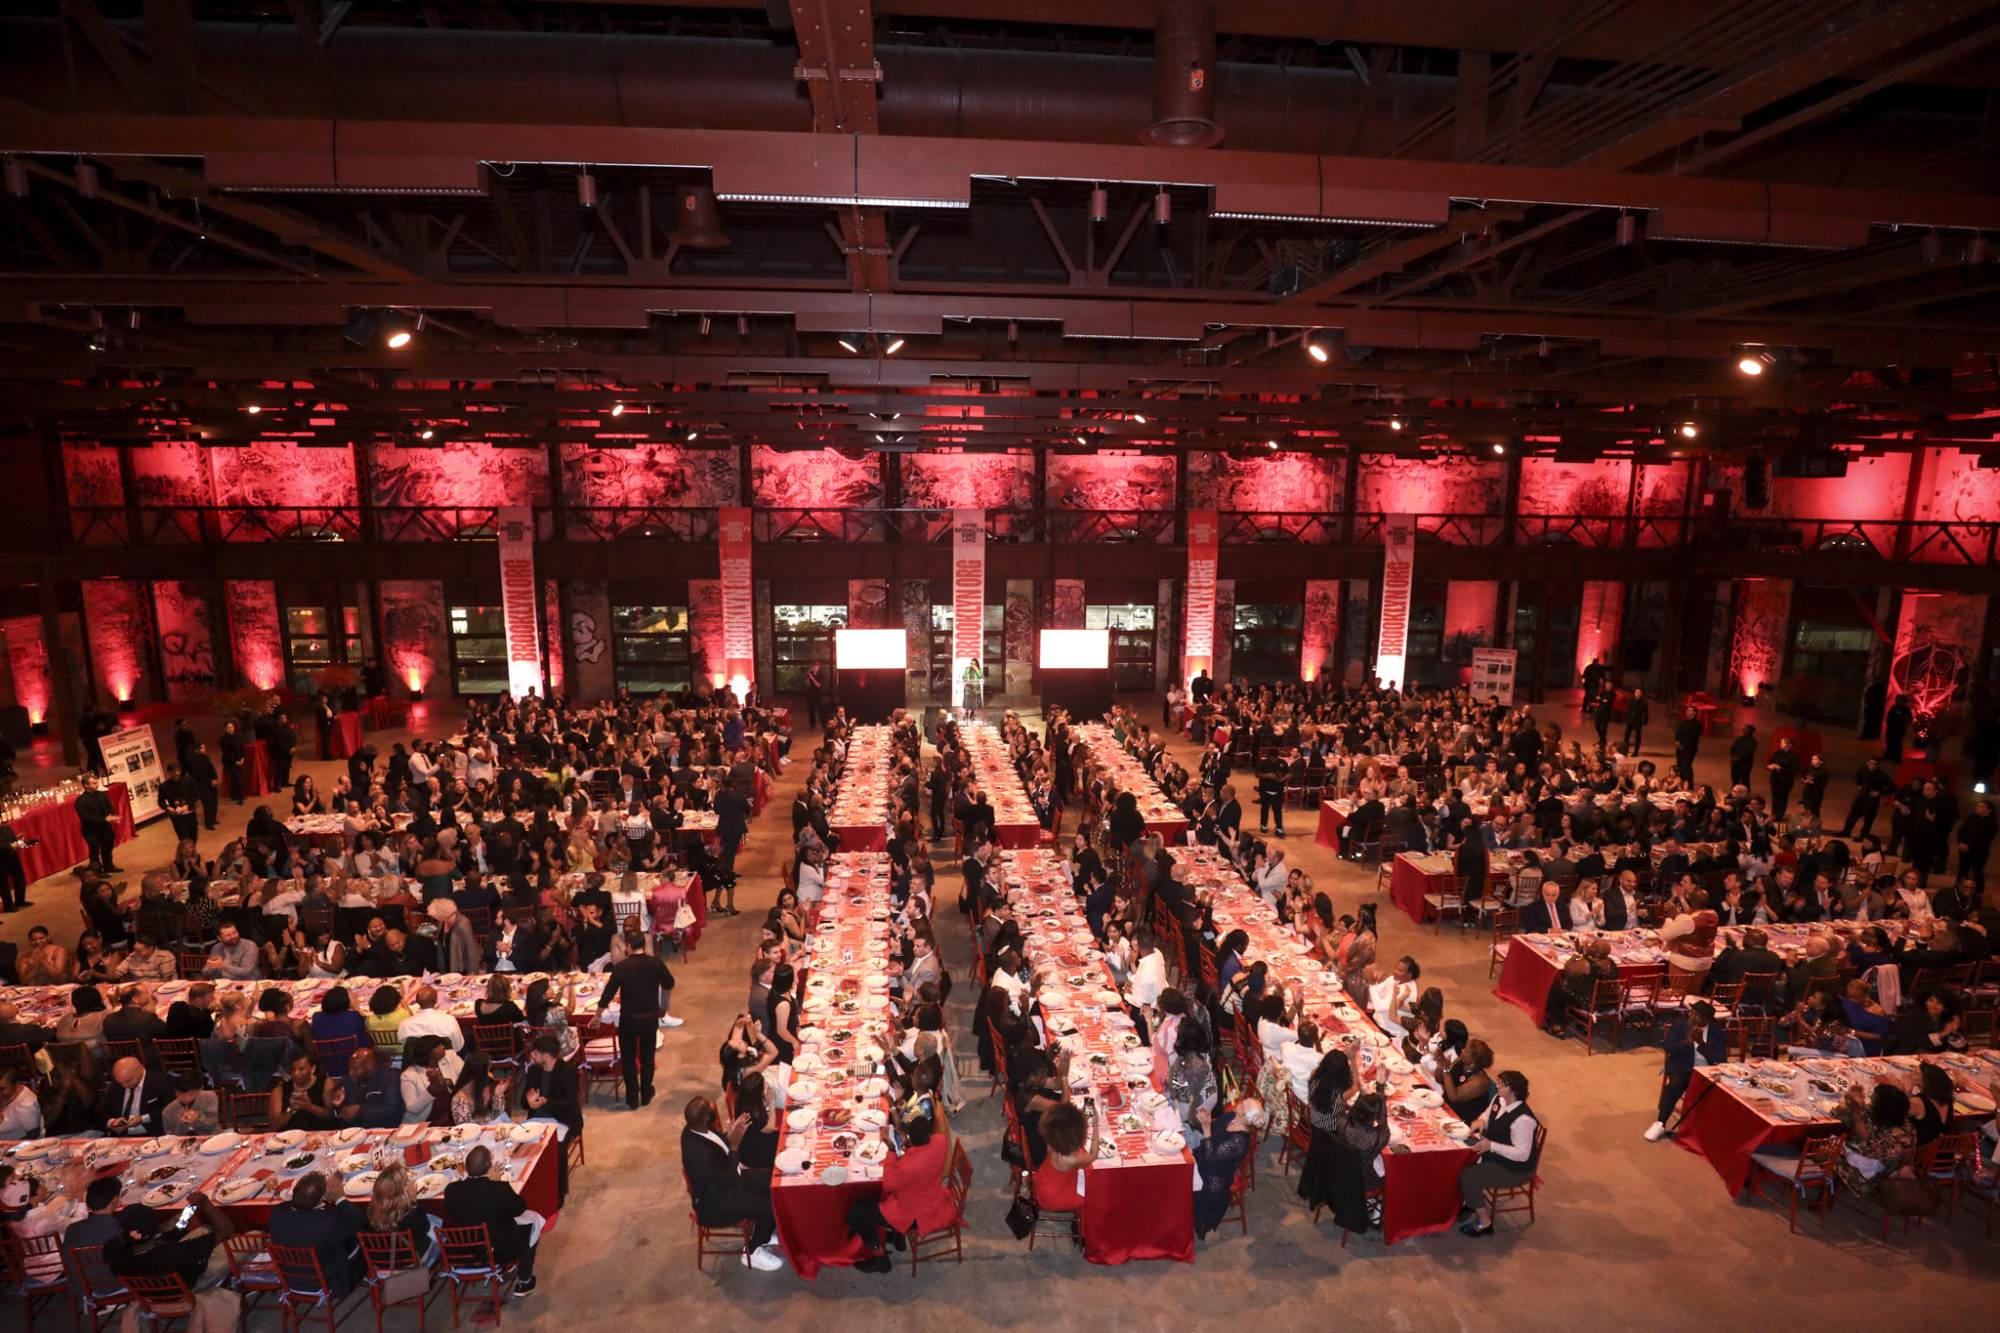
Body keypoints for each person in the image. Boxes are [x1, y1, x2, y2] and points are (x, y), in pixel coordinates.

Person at [105, 1195, 241, 1333]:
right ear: (156, 1229)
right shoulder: (172, 1253)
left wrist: (185, 1215)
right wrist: (205, 1204)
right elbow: (226, 1229)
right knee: (243, 1241)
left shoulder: (113, 1252)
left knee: (204, 1230)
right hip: (189, 1286)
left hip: (151, 1293)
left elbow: (171, 1236)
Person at [681, 1096, 782, 1272]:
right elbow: (725, 1180)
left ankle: (763, 1233)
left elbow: (721, 1149)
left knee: (773, 1182)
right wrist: (735, 1147)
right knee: (770, 1206)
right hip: (718, 1201)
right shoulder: (698, 1153)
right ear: (705, 1117)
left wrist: (733, 1134)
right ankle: (752, 1251)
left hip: (729, 1179)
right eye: (709, 1109)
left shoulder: (697, 1128)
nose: (713, 1110)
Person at [443, 1145, 544, 1296]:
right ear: (489, 1167)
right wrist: (499, 1182)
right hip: (496, 1251)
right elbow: (519, 1208)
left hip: (464, 1250)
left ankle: (508, 1269)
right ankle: (525, 1281)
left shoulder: (451, 1190)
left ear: (466, 1168)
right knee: (533, 1220)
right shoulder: (498, 1190)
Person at [1456, 1070, 1541, 1238]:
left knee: (1469, 1177)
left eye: (1502, 1085)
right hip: (1496, 1152)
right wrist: (1480, 1121)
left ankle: (1484, 1222)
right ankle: (1470, 1201)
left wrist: (1492, 1146)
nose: (1497, 1086)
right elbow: (1487, 1115)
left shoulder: (1523, 1120)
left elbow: (1522, 1155)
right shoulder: (1499, 1100)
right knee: (1459, 1159)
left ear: (1513, 1092)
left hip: (1514, 1168)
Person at [599, 937, 680, 1110]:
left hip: (628, 1020)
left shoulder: (621, 967)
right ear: (643, 945)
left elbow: (608, 993)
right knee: (647, 1057)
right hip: (649, 1019)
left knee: (628, 1058)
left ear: (628, 947)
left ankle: (632, 1098)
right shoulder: (655, 963)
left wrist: (597, 1015)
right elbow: (669, 982)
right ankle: (645, 1094)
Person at [267, 1172, 365, 1299]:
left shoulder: (276, 1213)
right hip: (328, 1283)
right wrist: (339, 1198)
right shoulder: (330, 1220)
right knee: (361, 1238)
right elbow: (359, 1221)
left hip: (291, 1279)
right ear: (321, 1199)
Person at [1644, 1000, 1729, 1142]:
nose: (1692, 1017)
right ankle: (1660, 1123)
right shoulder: (1679, 1024)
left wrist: (1701, 1044)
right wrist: (1686, 1041)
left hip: (1705, 1070)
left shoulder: (1718, 1033)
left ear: (1706, 1020)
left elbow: (1721, 1061)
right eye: (1692, 1013)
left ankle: (1706, 1128)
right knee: (1674, 1086)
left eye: (1697, 1015)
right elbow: (1668, 1048)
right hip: (1681, 1065)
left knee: (1723, 1091)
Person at [1827, 1080, 1914, 1204]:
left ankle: (1824, 1199)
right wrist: (1850, 1104)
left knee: (1826, 1153)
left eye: (1873, 1100)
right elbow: (1838, 1117)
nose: (1870, 1103)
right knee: (1826, 1143)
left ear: (1884, 1107)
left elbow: (1869, 1149)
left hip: (1877, 1179)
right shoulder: (1878, 1114)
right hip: (1861, 1158)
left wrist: (1858, 1115)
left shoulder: (1902, 1136)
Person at [362, 1162, 435, 1265]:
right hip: (408, 1262)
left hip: (380, 1263)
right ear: (400, 1191)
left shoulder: (371, 1211)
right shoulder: (411, 1213)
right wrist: (414, 1201)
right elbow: (425, 1228)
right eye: (406, 1181)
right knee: (436, 1225)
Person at [102, 1056, 174, 1137]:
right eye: (121, 1082)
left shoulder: (161, 1080)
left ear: (141, 1069)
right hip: (122, 1136)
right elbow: (105, 1111)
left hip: (152, 1133)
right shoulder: (116, 1085)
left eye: (128, 1080)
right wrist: (112, 1122)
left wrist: (143, 1119)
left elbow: (171, 1108)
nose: (125, 1085)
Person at [335, 1048, 404, 1128]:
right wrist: (338, 1106)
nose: (351, 1073)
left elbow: (392, 1110)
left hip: (383, 1126)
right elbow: (340, 1116)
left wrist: (360, 1110)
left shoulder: (390, 1077)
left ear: (370, 1065)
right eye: (349, 1069)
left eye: (356, 1068)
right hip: (356, 1130)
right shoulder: (347, 1081)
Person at [75, 772, 120, 874]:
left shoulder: (102, 795)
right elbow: (87, 818)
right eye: (94, 783)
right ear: (86, 785)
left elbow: (109, 807)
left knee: (108, 847)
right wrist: (105, 819)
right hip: (91, 831)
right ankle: (97, 871)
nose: (97, 785)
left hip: (105, 828)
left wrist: (113, 816)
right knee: (94, 850)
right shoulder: (81, 801)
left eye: (97, 783)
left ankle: (109, 866)